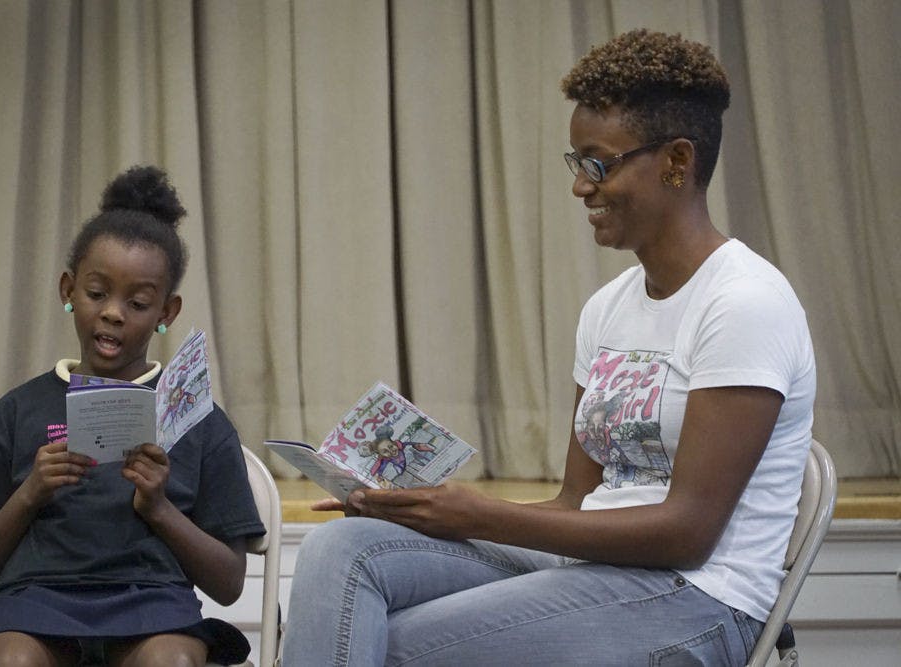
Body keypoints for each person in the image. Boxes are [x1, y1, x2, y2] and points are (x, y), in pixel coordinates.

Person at [281, 28, 815, 666]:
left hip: (698, 598)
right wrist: (421, 509)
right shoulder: (608, 309)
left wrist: (475, 515)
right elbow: (574, 503)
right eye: (577, 164)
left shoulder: (745, 302)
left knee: (391, 648)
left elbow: (687, 533)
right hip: (593, 565)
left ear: (677, 160)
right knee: (338, 552)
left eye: (599, 163)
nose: (580, 187)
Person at [0, 166, 265, 667]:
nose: (114, 313)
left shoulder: (198, 421)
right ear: (68, 290)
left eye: (137, 302)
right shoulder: (17, 410)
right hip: (33, 605)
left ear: (167, 312)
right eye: (97, 294)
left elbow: (228, 584)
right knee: (12, 662)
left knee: (172, 663)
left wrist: (158, 507)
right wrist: (31, 491)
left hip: (152, 607)